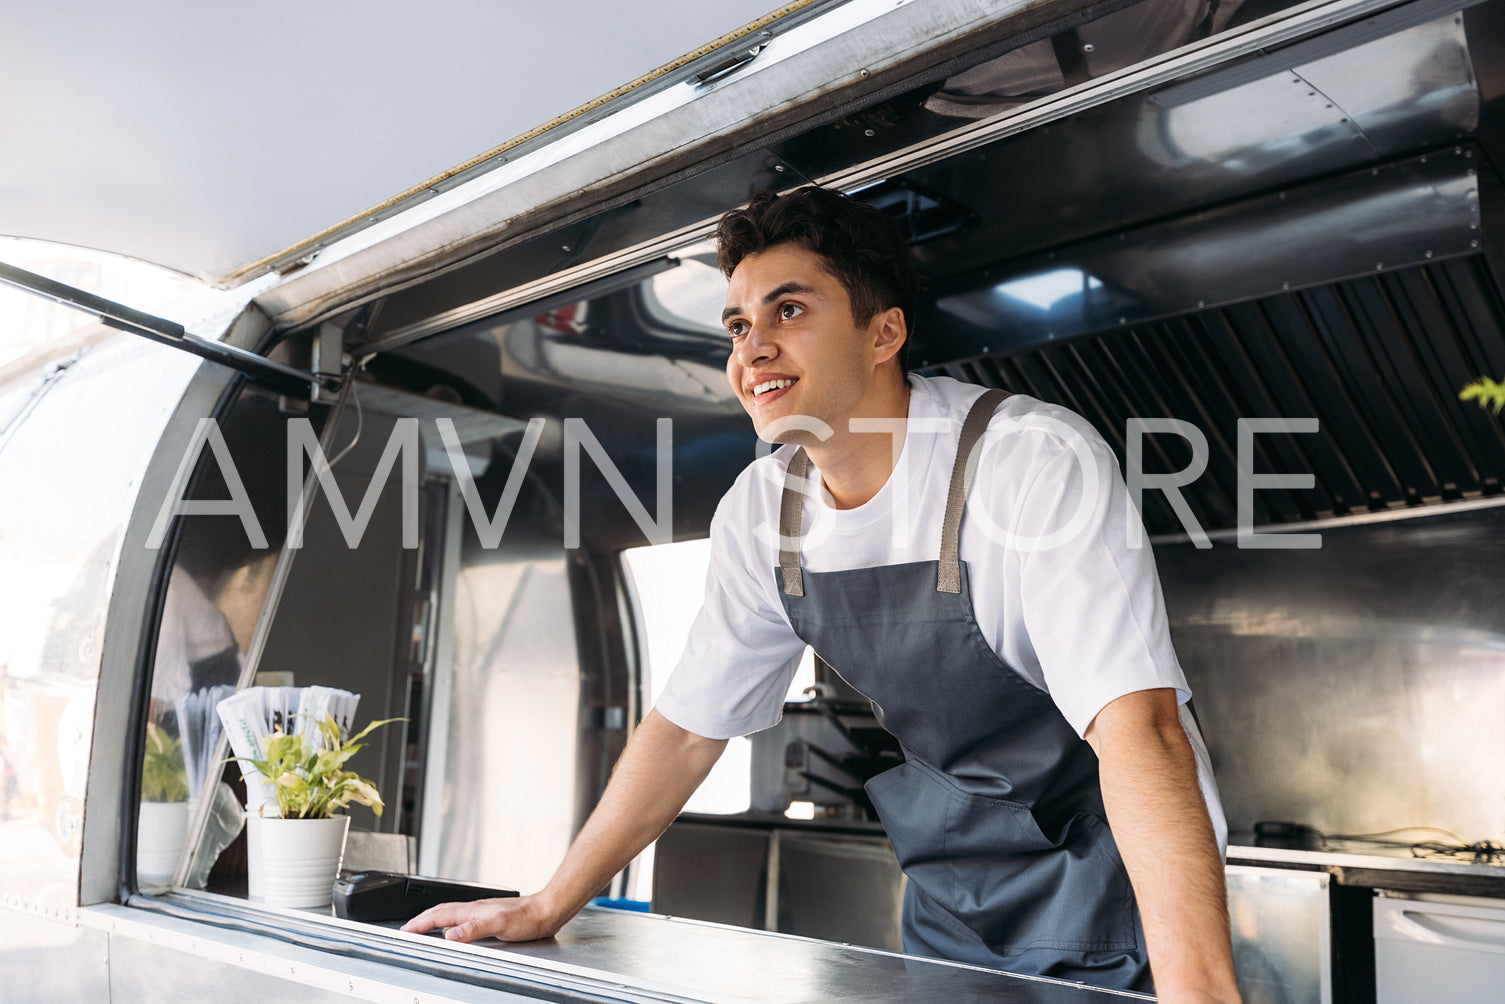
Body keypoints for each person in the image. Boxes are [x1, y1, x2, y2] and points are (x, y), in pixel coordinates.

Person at [406, 187, 1239, 1001]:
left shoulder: (1026, 461)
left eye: (789, 311)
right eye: (738, 324)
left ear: (884, 334)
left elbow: (1139, 729)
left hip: (1112, 897)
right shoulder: (763, 508)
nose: (752, 348)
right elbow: (689, 728)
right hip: (953, 909)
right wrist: (552, 901)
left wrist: (1197, 993)